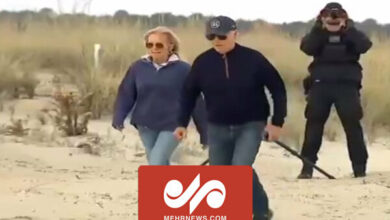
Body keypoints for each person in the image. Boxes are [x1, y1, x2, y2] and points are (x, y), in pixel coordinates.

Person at [174, 16, 287, 220]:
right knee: (222, 174)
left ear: (235, 34)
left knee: (240, 170)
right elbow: (188, 93)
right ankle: (261, 208)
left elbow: (278, 89)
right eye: (211, 36)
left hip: (251, 124)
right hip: (217, 126)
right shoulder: (203, 62)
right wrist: (182, 123)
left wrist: (277, 122)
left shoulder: (254, 59)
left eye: (221, 36)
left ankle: (254, 212)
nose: (216, 40)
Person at [112, 26, 207, 165]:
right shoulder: (138, 67)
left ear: (170, 46)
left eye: (159, 44)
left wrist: (205, 134)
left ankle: (163, 186)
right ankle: (167, 186)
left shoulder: (184, 70)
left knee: (157, 161)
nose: (154, 48)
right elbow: (126, 93)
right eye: (150, 44)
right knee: (157, 163)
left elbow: (196, 102)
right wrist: (118, 118)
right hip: (145, 125)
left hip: (173, 125)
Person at [298, 2, 372, 179]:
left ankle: (359, 168)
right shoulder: (318, 34)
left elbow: (365, 46)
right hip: (320, 84)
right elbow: (306, 48)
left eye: (337, 15)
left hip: (346, 86)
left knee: (352, 126)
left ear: (345, 17)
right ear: (321, 17)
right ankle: (307, 168)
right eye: (328, 15)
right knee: (314, 125)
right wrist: (319, 29)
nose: (332, 18)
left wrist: (347, 29)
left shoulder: (351, 33)